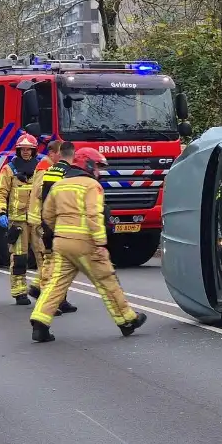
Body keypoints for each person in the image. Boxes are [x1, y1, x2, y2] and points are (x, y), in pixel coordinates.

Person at [30, 147, 146, 342]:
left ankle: (40, 322)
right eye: (98, 167)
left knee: (55, 283)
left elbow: (47, 215)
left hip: (62, 243)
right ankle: (127, 320)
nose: (99, 172)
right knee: (107, 281)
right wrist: (100, 241)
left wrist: (61, 231)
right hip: (87, 244)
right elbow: (94, 214)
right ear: (88, 164)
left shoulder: (59, 185)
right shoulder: (92, 186)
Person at [26, 140, 77, 315]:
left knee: (55, 262)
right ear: (52, 153)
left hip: (45, 220)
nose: (62, 158)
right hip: (42, 221)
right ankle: (47, 302)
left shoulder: (48, 167)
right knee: (49, 263)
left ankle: (54, 297)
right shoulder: (45, 168)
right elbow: (42, 192)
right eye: (60, 154)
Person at [0, 134, 39, 305]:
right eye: (23, 149)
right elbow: (0, 193)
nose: (26, 152)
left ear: (34, 151)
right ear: (18, 150)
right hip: (17, 221)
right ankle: (19, 292)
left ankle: (44, 289)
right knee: (19, 257)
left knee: (44, 255)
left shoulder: (40, 169)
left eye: (29, 149)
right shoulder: (8, 169)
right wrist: (1, 212)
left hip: (36, 220)